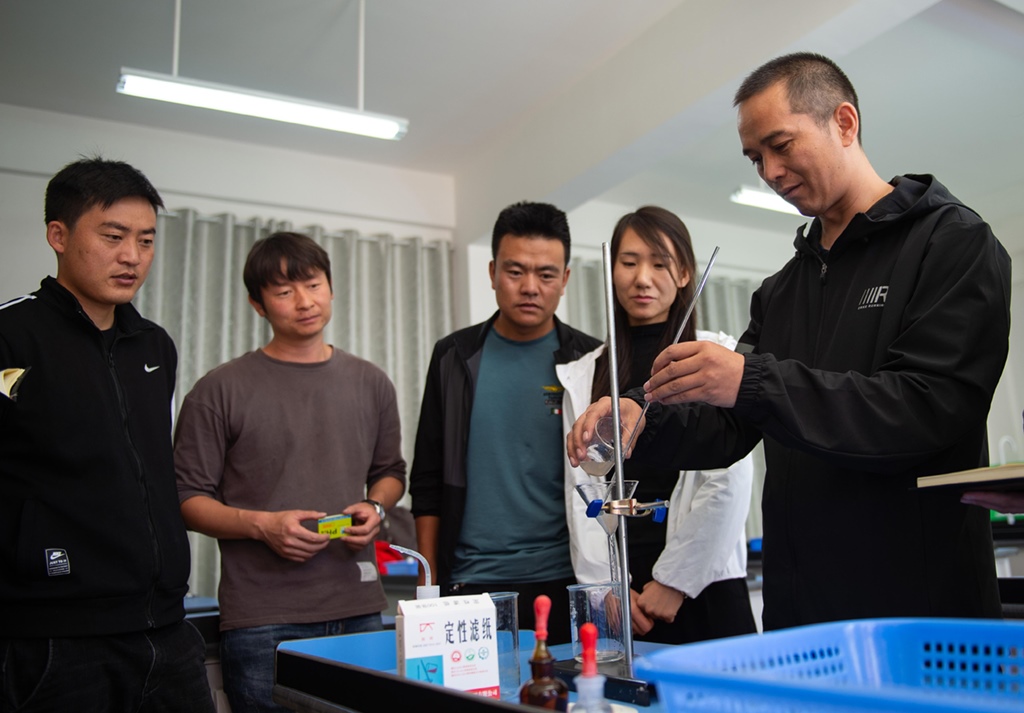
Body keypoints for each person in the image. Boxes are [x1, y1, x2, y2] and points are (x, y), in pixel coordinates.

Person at [568, 52, 1012, 630]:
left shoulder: (951, 243)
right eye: (756, 158)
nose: (771, 172)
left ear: (844, 123)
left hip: (917, 611)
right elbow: (729, 424)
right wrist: (639, 417)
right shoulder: (781, 291)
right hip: (801, 612)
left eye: (781, 145)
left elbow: (929, 409)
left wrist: (750, 380)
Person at [0, 158, 214, 712]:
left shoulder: (154, 345)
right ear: (59, 235)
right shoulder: (11, 335)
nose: (132, 256)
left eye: (146, 240)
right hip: (54, 637)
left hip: (166, 627)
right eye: (113, 237)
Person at [174, 232, 406, 713]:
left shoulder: (371, 382)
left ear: (331, 288)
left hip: (361, 609)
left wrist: (376, 506)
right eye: (284, 291)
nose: (305, 302)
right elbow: (186, 499)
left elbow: (390, 472)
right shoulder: (219, 390)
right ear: (257, 305)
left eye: (314, 285)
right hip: (262, 620)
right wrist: (262, 525)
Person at [559, 206, 757, 644]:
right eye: (629, 262)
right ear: (611, 270)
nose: (642, 278)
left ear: (685, 273)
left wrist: (675, 581)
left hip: (703, 582)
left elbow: (728, 478)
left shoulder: (714, 355)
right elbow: (581, 486)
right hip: (621, 593)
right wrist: (606, 586)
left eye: (660, 263)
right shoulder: (587, 372)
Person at [409, 201, 601, 644]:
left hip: (567, 579)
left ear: (565, 279)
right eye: (515, 272)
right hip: (471, 580)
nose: (530, 287)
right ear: (493, 272)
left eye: (546, 274)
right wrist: (428, 584)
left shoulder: (590, 360)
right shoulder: (454, 356)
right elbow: (427, 478)